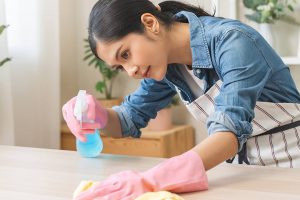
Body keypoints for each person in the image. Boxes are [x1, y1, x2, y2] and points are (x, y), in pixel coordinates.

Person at [62, 0, 300, 199]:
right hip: (241, 172)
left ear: (150, 23)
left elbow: (228, 134)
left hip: (291, 167)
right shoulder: (167, 65)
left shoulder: (233, 41)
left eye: (125, 54)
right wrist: (99, 115)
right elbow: (127, 120)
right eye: (120, 67)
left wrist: (150, 180)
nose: (130, 70)